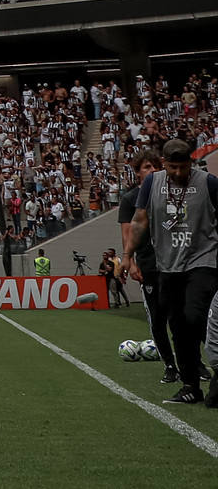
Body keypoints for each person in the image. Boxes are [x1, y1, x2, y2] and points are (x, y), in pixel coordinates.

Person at [125, 139, 218, 406]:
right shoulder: (152, 184)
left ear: (192, 162)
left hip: (204, 261)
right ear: (164, 164)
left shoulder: (208, 183)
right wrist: (127, 255)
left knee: (195, 315)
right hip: (167, 265)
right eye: (173, 167)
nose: (179, 172)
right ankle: (190, 385)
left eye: (184, 166)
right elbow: (140, 220)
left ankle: (216, 371)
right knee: (176, 324)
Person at [121, 148, 178, 382]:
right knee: (157, 319)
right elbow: (127, 233)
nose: (152, 170)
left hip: (175, 264)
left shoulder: (174, 193)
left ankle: (194, 363)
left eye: (155, 165)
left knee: (183, 316)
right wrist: (131, 262)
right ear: (137, 172)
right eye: (146, 166)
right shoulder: (130, 199)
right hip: (149, 266)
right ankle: (170, 366)